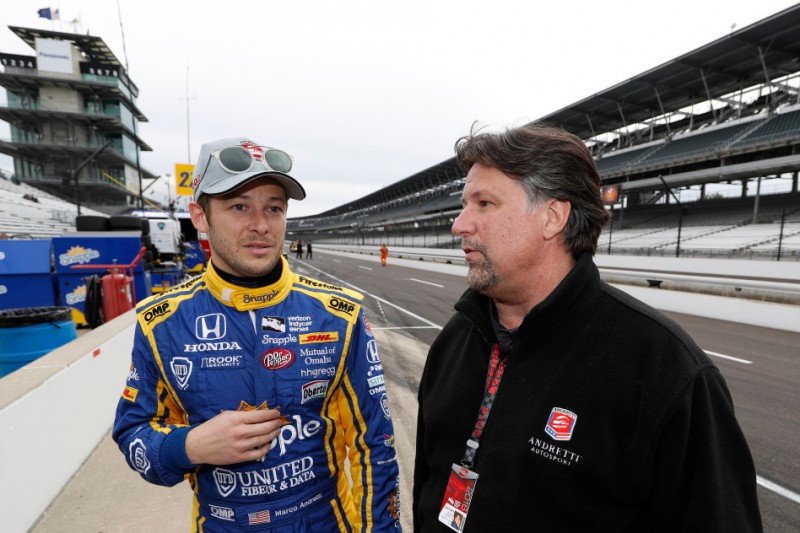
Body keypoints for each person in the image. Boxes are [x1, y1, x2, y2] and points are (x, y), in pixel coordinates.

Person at [413, 124, 762, 532]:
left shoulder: (664, 372)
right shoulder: (457, 336)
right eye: (464, 204)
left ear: (552, 217)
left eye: (484, 204)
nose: (460, 224)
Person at [113, 137, 401, 532]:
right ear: (200, 216)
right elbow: (134, 433)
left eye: (274, 208)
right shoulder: (161, 322)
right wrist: (190, 446)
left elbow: (376, 446)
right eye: (239, 206)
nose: (261, 225)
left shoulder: (339, 315)